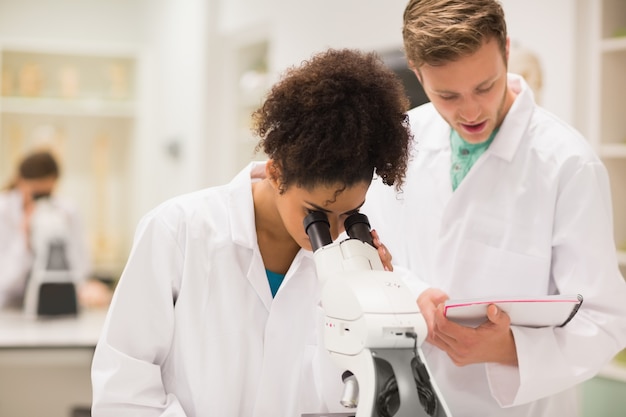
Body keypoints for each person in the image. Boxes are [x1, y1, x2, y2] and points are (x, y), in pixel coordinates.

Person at [90, 48, 412, 417]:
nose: (336, 232)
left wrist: (366, 313)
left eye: (351, 214)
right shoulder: (177, 231)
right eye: (317, 215)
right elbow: (123, 389)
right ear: (276, 174)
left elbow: (342, 398)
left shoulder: (353, 259)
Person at [362, 0, 626, 416]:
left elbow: (605, 321)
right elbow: (372, 255)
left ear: (505, 51)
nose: (469, 111)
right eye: (447, 94)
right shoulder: (403, 140)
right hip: (409, 396)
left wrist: (511, 350)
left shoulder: (567, 163)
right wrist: (411, 295)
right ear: (416, 71)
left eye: (485, 86)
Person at [0, 149, 95, 309]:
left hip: (54, 305)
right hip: (7, 307)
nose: (42, 201)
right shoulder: (4, 211)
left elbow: (80, 268)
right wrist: (24, 239)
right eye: (36, 194)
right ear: (19, 182)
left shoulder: (67, 212)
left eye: (47, 193)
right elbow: (4, 280)